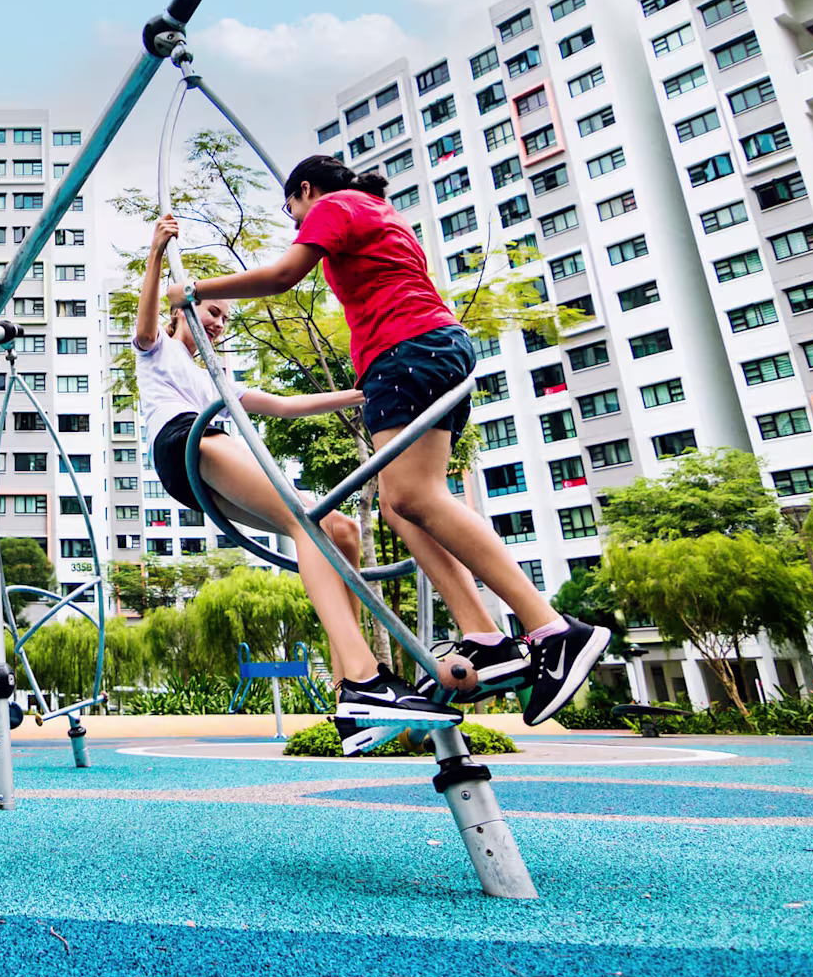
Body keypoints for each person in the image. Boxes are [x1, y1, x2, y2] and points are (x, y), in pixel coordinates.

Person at [169, 156, 611, 729]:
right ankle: (486, 635)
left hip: (406, 352)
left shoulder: (333, 206)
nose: (297, 220)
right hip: (422, 352)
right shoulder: (380, 213)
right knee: (401, 504)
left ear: (305, 190)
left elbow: (282, 278)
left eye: (290, 209)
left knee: (418, 498)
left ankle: (552, 627)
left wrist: (193, 290)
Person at [136, 212, 460, 753]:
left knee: (340, 531)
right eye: (212, 311)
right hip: (183, 442)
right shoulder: (161, 350)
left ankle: (350, 690)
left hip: (211, 448)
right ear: (184, 309)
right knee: (305, 523)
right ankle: (363, 680)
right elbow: (147, 327)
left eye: (224, 319)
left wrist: (368, 391)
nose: (218, 323)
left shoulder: (219, 378)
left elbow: (285, 406)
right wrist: (154, 255)